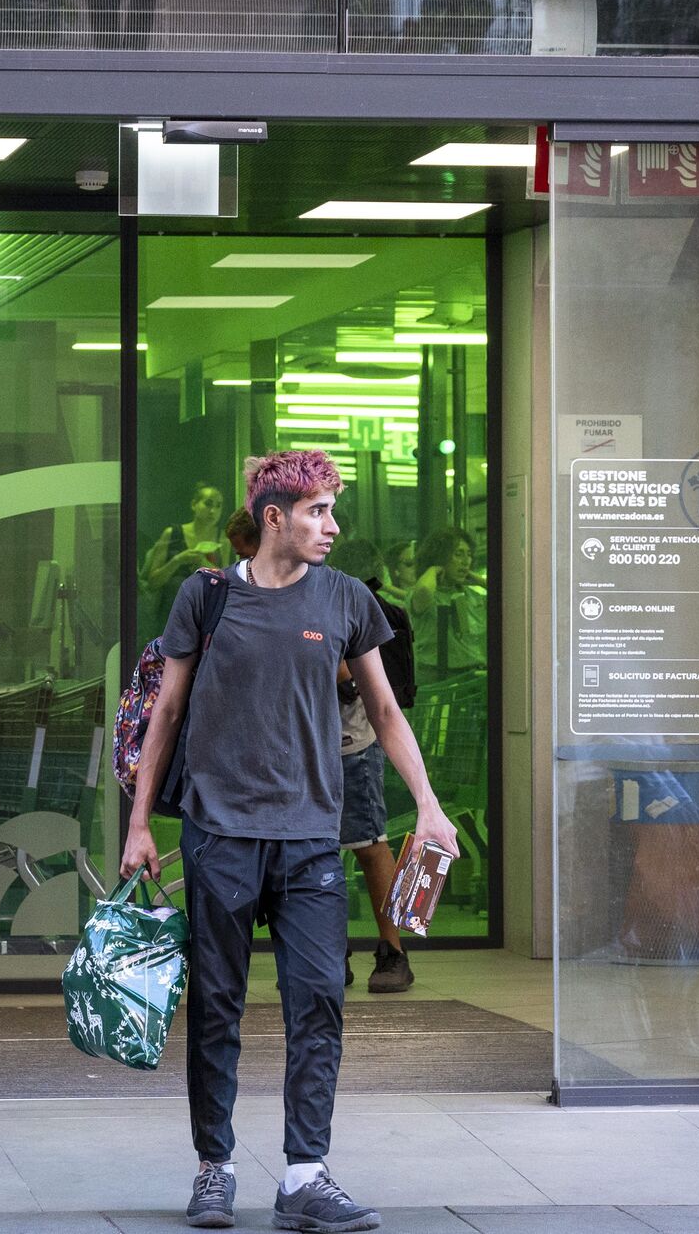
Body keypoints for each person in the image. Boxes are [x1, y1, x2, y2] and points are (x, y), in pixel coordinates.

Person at [124, 451, 456, 1234]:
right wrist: (139, 824)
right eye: (318, 510)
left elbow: (385, 709)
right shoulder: (206, 596)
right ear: (274, 516)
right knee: (217, 1003)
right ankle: (214, 1165)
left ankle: (305, 1174)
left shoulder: (344, 598)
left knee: (319, 998)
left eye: (332, 508)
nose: (332, 525)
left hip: (310, 838)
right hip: (220, 833)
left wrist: (429, 803)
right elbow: (165, 714)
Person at [326, 536, 419, 996]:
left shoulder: (347, 605)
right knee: (322, 853)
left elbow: (351, 677)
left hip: (352, 743)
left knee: (369, 845)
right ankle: (331, 951)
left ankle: (393, 950)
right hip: (320, 746)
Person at [143, 482, 231, 618]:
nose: (213, 511)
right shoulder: (172, 534)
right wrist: (177, 560)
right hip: (172, 613)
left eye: (218, 506)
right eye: (208, 504)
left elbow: (225, 585)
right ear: (194, 504)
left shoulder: (223, 538)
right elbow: (153, 583)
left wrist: (204, 563)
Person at [405, 526, 485, 672]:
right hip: (440, 677)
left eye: (469, 555)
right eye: (458, 554)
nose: (465, 561)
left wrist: (478, 580)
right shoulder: (426, 595)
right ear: (440, 557)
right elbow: (424, 589)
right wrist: (433, 569)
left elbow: (509, 595)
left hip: (474, 673)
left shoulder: (472, 596)